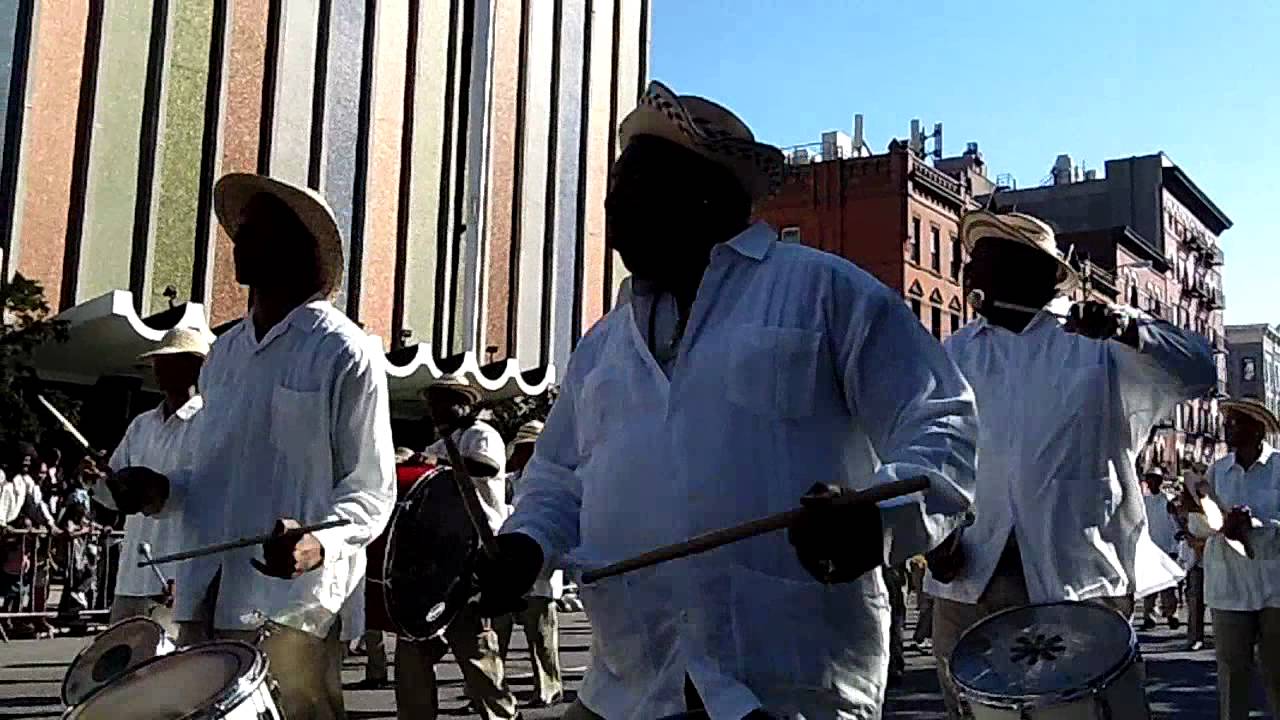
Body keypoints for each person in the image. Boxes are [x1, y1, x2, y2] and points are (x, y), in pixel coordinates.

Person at [483, 80, 979, 720]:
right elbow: (556, 478)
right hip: (629, 684)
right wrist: (524, 544)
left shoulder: (824, 291)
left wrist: (876, 518)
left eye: (635, 185)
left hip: (787, 683)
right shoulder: (602, 343)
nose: (612, 204)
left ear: (706, 194)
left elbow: (942, 423)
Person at [103, 173, 396, 720]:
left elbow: (371, 490)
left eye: (256, 232)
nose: (239, 243)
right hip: (203, 594)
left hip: (292, 603)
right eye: (239, 231)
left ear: (297, 249)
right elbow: (204, 474)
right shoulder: (224, 354)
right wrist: (159, 490)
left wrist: (318, 543)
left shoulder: (343, 350)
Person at [927, 209, 1216, 717]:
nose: (967, 273)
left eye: (983, 260)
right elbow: (933, 454)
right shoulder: (955, 353)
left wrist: (1128, 328)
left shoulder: (1098, 343)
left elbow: (1199, 370)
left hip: (1077, 580)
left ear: (1034, 270)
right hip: (970, 580)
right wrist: (932, 533)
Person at [394, 379, 518, 720]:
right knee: (412, 651)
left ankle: (502, 715)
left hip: (472, 560)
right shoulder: (442, 443)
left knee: (477, 655)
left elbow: (486, 466)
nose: (434, 410)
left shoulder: (482, 435)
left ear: (464, 405)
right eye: (431, 404)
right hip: (436, 563)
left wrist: (430, 459)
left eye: (441, 403)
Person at [92, 328, 208, 634]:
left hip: (177, 572)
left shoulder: (209, 422)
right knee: (121, 667)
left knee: (169, 669)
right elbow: (110, 494)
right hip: (133, 572)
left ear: (194, 366)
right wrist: (100, 478)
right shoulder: (142, 424)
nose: (158, 369)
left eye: (169, 361)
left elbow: (208, 496)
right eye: (158, 362)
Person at [1193, 397, 1280, 720]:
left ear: (1257, 429)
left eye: (1236, 422)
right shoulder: (1217, 471)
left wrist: (1254, 525)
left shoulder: (1278, 468)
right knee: (1232, 675)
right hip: (1229, 587)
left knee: (1277, 673)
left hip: (1274, 587)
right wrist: (1208, 520)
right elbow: (1201, 524)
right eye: (1227, 421)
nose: (1228, 428)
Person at [499, 420, 564, 708]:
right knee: (496, 636)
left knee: (541, 638)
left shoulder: (551, 480)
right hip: (506, 564)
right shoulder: (509, 481)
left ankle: (549, 688)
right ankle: (494, 692)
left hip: (540, 574)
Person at [1139, 468, 1182, 630]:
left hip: (1167, 547)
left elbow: (1175, 525)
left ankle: (1172, 614)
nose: (1151, 482)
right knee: (1150, 585)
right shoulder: (1144, 502)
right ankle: (1149, 616)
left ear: (1160, 481)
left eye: (1155, 479)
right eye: (1149, 479)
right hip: (1150, 548)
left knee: (1168, 586)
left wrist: (1174, 546)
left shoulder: (1167, 500)